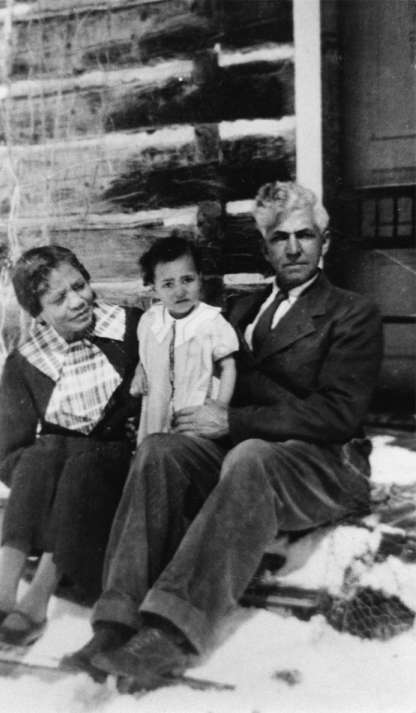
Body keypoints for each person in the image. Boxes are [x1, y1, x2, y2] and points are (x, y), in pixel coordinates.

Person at [62, 181, 383, 689]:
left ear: (327, 240)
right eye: (280, 238)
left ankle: (169, 631)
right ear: (265, 247)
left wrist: (234, 420)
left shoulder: (352, 312)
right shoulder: (238, 310)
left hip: (325, 466)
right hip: (246, 459)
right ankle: (115, 620)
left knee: (251, 454)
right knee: (160, 451)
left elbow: (337, 414)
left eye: (306, 235)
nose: (294, 247)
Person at [0, 246, 141, 647]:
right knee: (46, 451)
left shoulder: (130, 330)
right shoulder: (26, 363)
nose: (77, 301)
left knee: (76, 455)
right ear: (37, 313)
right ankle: (4, 597)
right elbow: (7, 456)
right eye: (59, 298)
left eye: (79, 286)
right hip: (64, 498)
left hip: (120, 485)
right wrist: (50, 469)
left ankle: (36, 602)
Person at [129, 234, 238, 443]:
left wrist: (221, 406)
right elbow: (147, 355)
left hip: (192, 411)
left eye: (187, 280)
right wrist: (139, 371)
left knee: (183, 450)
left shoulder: (210, 321)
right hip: (157, 408)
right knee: (154, 445)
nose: (180, 291)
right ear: (154, 287)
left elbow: (229, 367)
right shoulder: (150, 320)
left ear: (199, 277)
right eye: (168, 284)